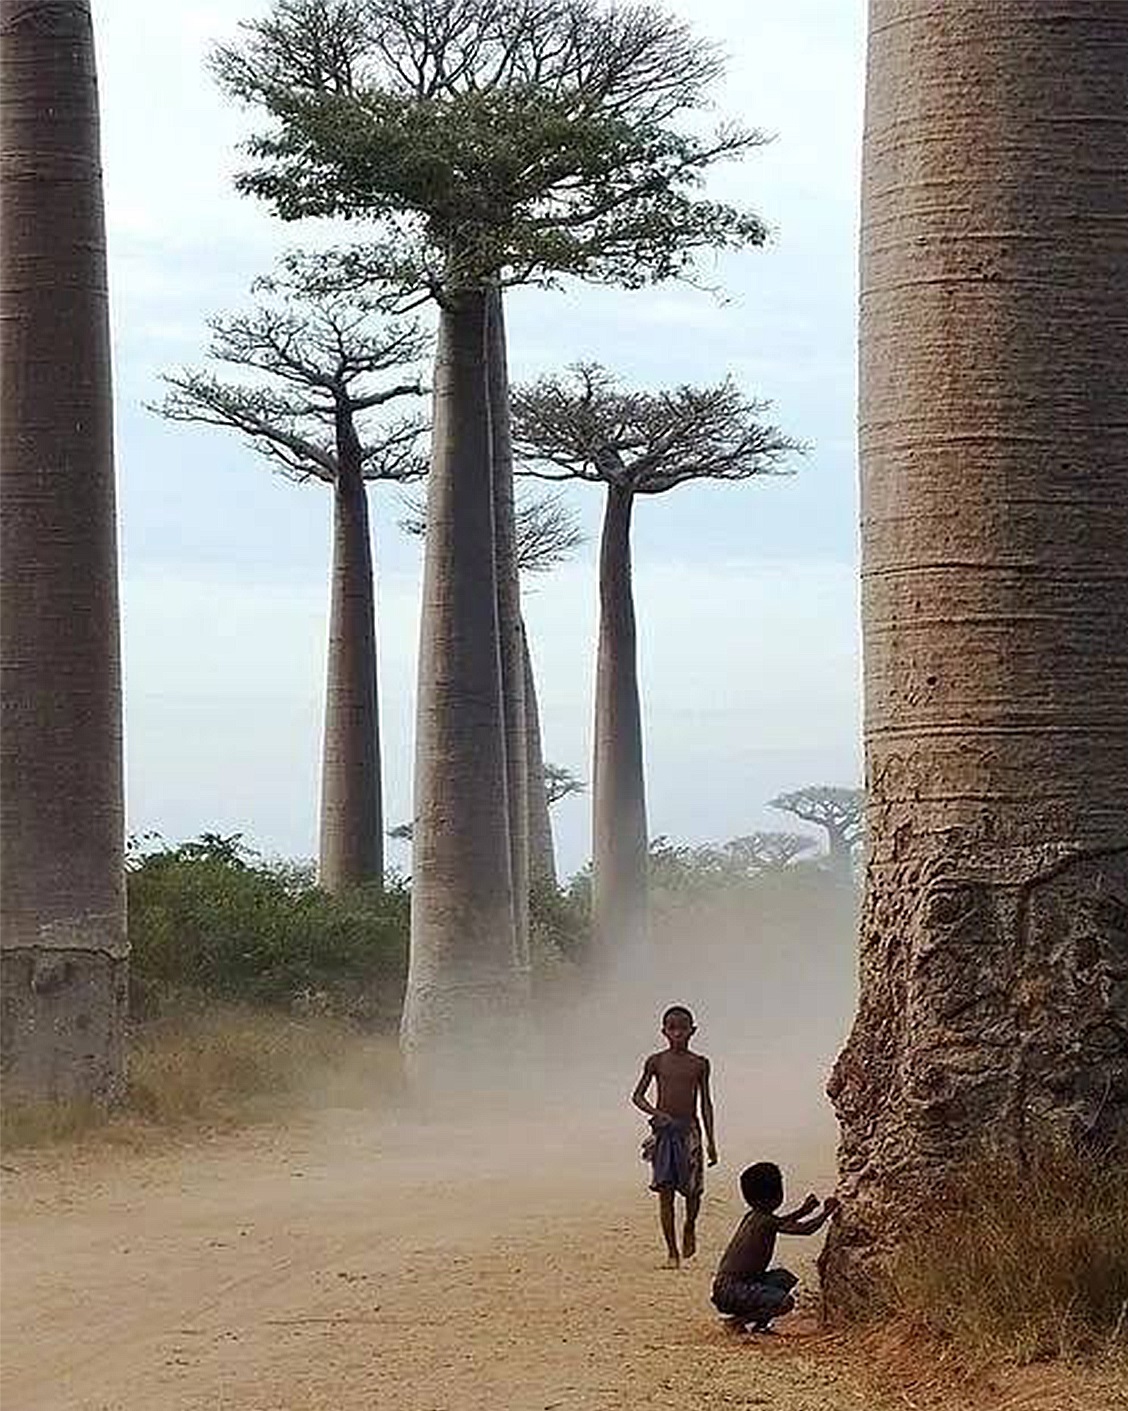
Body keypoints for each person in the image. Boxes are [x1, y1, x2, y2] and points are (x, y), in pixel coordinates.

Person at [631, 1004, 717, 1267]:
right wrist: (658, 1113)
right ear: (664, 1031)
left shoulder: (700, 1064)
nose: (677, 1034)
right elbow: (638, 1096)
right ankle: (672, 1252)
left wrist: (711, 1141)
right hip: (664, 1133)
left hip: (689, 1131)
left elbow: (705, 1103)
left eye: (682, 1029)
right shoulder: (656, 1062)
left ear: (693, 1031)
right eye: (672, 1028)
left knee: (693, 1192)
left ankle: (690, 1225)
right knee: (665, 1191)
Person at [711, 1161, 838, 1331]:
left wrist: (804, 1210)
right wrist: (826, 1212)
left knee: (783, 1278)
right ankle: (738, 1321)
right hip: (733, 1290)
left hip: (727, 1287)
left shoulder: (754, 1216)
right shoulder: (766, 1221)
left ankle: (759, 1325)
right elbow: (806, 1230)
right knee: (785, 1303)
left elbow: (781, 1222)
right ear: (777, 1195)